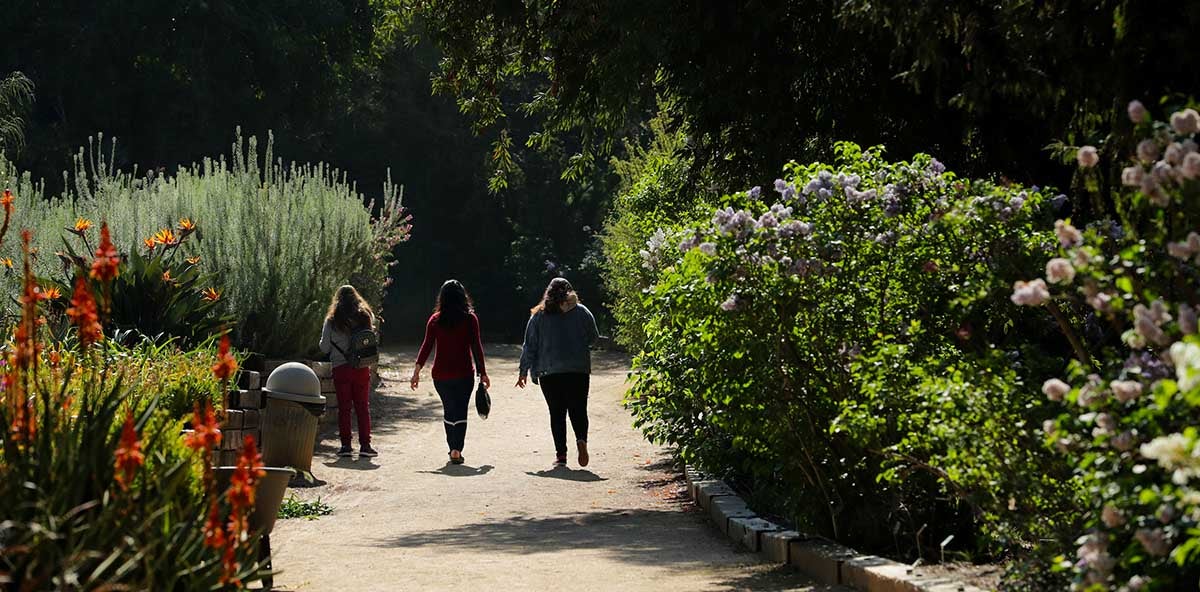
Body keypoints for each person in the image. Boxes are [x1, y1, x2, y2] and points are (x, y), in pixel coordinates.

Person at [517, 278, 599, 467]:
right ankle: (581, 441)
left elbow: (529, 345)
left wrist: (523, 371)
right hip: (578, 370)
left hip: (549, 372)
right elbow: (593, 337)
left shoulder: (538, 315)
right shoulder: (581, 311)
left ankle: (561, 456)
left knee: (557, 413)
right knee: (578, 409)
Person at [411, 280, 490, 465]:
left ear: (442, 298)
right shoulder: (470, 319)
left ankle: (452, 447)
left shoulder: (435, 320)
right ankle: (456, 450)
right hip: (464, 374)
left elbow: (426, 346)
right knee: (461, 410)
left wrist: (416, 371)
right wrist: (483, 372)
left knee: (449, 410)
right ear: (463, 297)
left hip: (441, 375)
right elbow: (476, 347)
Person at [319, 285, 378, 458]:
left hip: (340, 369)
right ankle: (365, 446)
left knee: (344, 408)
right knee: (362, 407)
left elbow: (324, 347)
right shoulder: (366, 316)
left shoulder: (331, 320)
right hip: (361, 367)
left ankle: (345, 446)